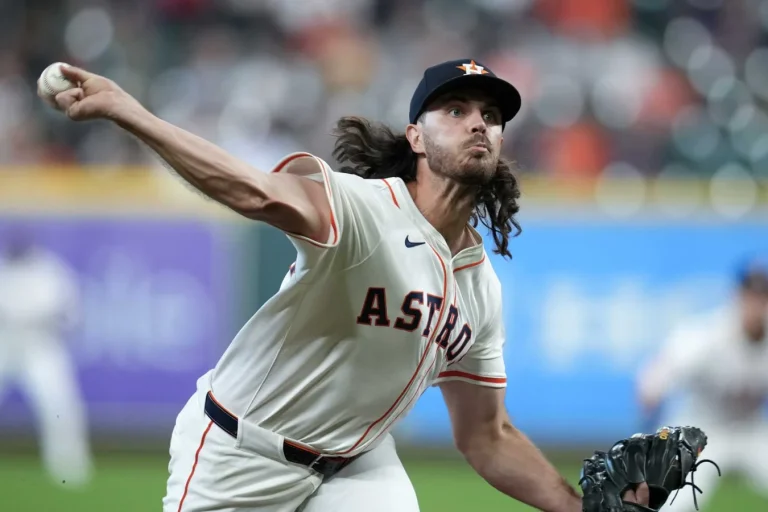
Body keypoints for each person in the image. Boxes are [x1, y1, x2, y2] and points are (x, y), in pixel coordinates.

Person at [41, 59, 649, 512]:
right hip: (239, 453)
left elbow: (487, 437)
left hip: (356, 469)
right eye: (457, 110)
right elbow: (253, 191)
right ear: (415, 137)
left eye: (491, 116)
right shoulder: (362, 207)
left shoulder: (480, 288)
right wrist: (131, 112)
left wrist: (579, 508)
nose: (479, 125)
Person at [637, 258, 768, 511]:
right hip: (703, 430)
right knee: (675, 504)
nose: (757, 305)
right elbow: (652, 383)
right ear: (737, 296)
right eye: (751, 295)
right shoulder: (705, 336)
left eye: (763, 297)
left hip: (752, 430)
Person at [0, 227, 92, 487]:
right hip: (5, 343)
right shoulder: (3, 269)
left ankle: (69, 469)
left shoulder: (49, 270)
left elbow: (70, 314)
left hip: (40, 345)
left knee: (59, 408)